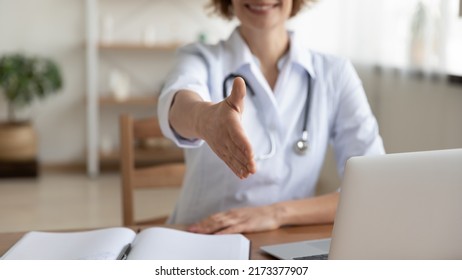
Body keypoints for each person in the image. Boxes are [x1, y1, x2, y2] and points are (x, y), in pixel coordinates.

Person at [157, 0, 385, 234]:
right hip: (202, 237)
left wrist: (278, 213)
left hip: (286, 241)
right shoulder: (199, 58)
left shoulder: (335, 73)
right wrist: (204, 120)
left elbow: (374, 186)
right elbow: (178, 105)